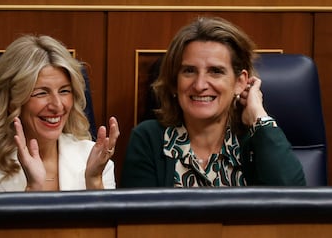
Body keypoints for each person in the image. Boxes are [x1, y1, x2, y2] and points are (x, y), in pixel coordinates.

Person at [120, 16, 306, 187]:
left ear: (240, 82)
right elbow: (138, 221)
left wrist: (259, 117)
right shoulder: (148, 139)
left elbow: (295, 203)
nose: (200, 85)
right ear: (174, 82)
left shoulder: (255, 141)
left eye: (216, 71)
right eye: (189, 71)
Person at [0, 34, 119, 192]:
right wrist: (33, 189)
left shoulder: (93, 158)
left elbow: (109, 221)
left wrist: (94, 181)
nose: (57, 105)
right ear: (12, 101)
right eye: (41, 93)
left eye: (64, 91)